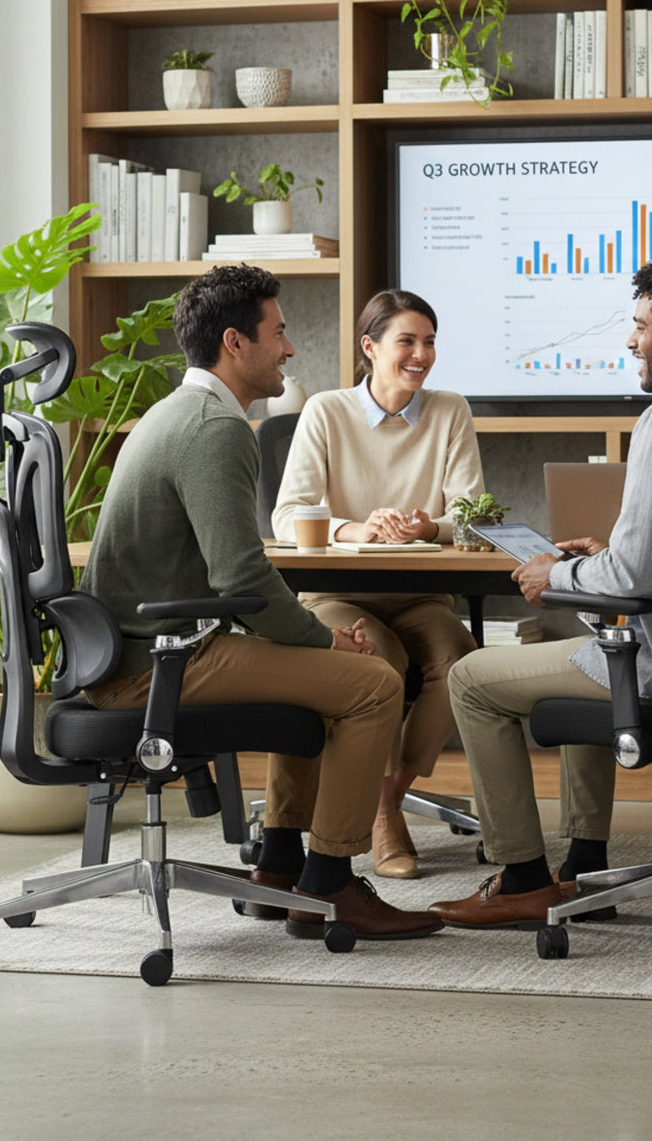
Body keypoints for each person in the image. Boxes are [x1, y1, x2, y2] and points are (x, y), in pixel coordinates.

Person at [80, 264, 442, 942]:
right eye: (277, 332)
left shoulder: (176, 412)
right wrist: (321, 638)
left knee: (318, 680)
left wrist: (303, 636)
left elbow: (234, 579)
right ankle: (331, 882)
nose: (289, 348)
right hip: (156, 663)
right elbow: (240, 574)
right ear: (234, 342)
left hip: (142, 651)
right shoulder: (217, 428)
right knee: (372, 685)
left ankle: (279, 866)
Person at [426, 252, 652, 929]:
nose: (629, 340)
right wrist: (606, 559)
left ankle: (523, 876)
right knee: (588, 640)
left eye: (640, 324)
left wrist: (551, 573)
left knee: (470, 678)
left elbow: (631, 580)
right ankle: (584, 868)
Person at [272, 289, 485, 879]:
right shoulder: (327, 411)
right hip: (339, 594)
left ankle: (388, 796)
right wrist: (353, 527)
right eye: (407, 341)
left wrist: (429, 525)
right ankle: (380, 820)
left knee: (461, 663)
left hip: (419, 594)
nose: (422, 354)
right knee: (380, 665)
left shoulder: (450, 411)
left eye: (430, 341)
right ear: (370, 348)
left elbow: (472, 515)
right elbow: (287, 515)